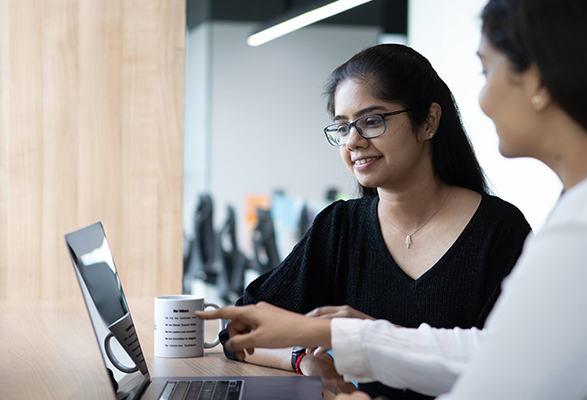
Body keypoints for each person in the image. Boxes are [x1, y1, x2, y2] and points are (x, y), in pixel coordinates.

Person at [200, 0, 587, 399]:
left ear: (537, 80)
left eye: (486, 69)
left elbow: (493, 379)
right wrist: (342, 338)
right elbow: (493, 350)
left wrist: (347, 351)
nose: (482, 97)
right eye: (343, 127)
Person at [220, 44, 531, 399]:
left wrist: (369, 335)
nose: (353, 141)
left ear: (428, 121)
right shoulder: (341, 228)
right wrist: (304, 359)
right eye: (342, 127)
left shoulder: (500, 230)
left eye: (371, 121)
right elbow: (239, 330)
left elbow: (509, 369)